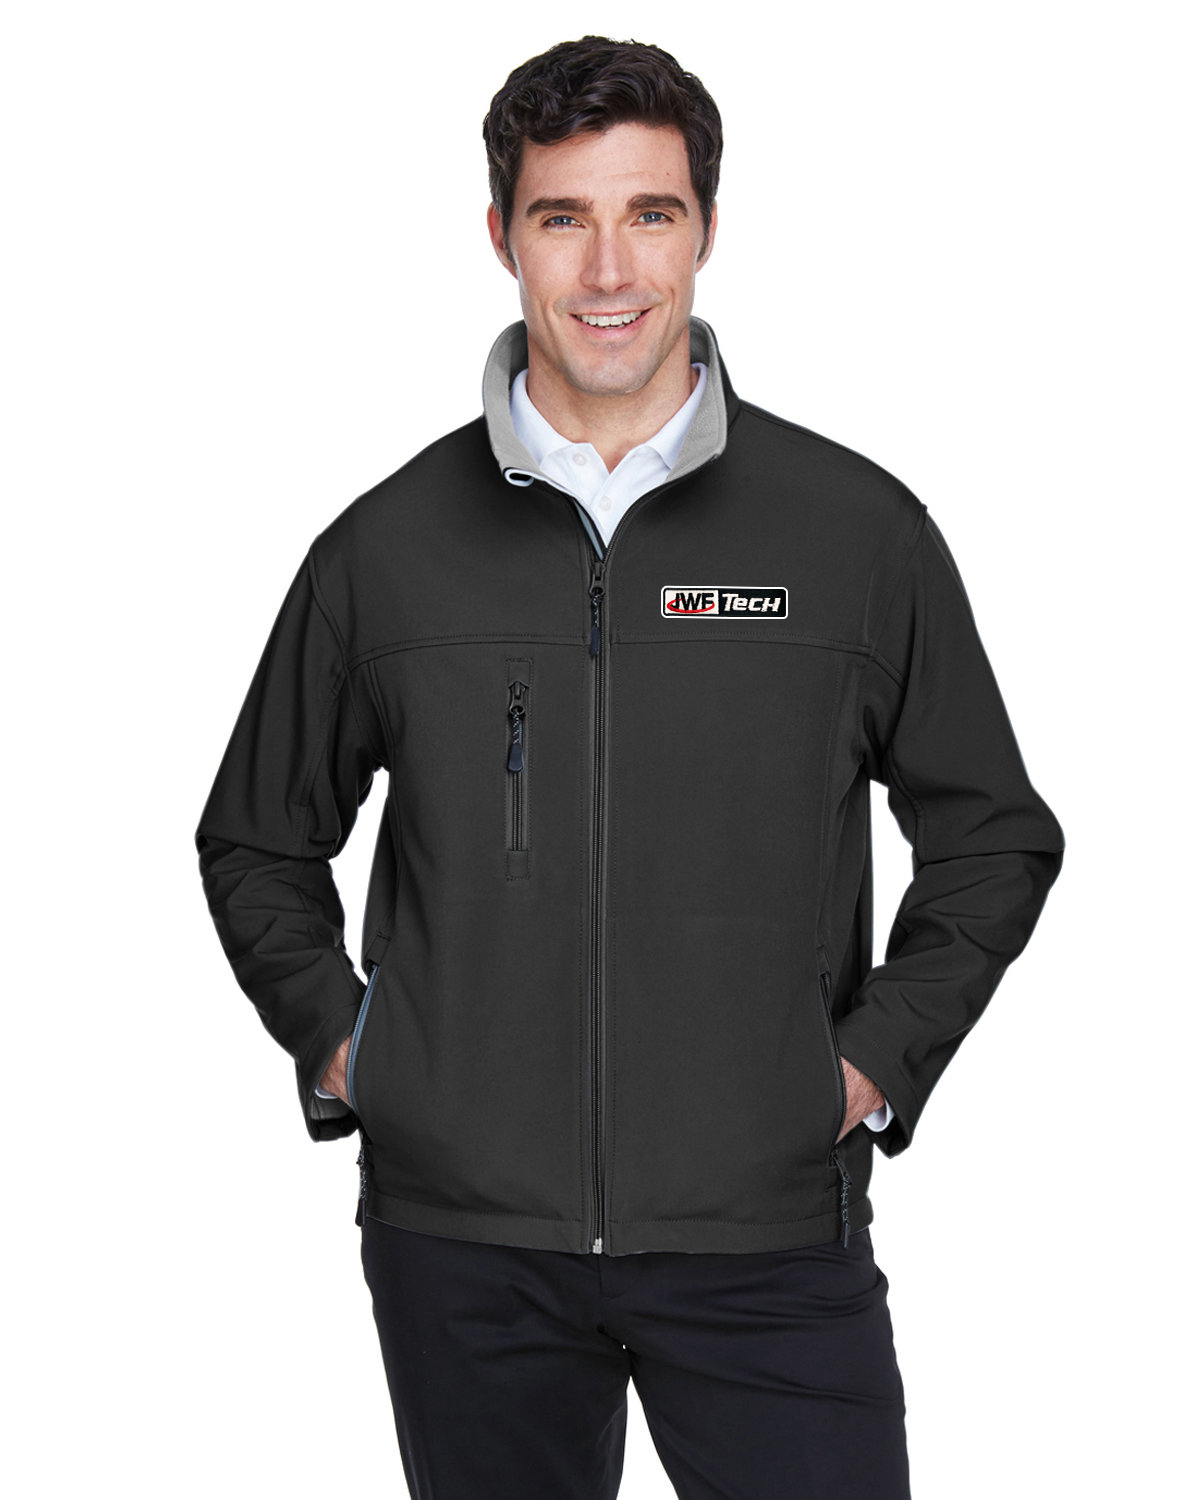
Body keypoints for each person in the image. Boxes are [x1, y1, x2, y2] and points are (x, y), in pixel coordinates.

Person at [195, 35, 1064, 1499]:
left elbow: (994, 837)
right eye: (564, 217)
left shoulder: (854, 535)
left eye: (650, 214)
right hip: (465, 1248)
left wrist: (866, 1065)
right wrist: (356, 1050)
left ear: (706, 229)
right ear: (501, 236)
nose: (609, 270)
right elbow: (256, 839)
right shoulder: (384, 552)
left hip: (765, 1238)